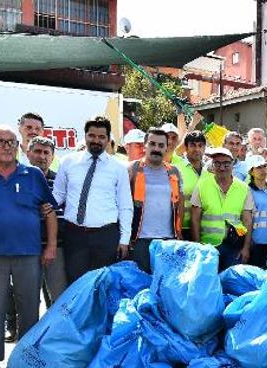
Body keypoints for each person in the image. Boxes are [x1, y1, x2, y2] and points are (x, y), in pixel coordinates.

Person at [0, 125, 58, 368]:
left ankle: (26, 361)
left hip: (29, 254)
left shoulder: (33, 175)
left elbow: (49, 213)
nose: (6, 146)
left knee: (30, 308)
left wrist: (51, 246)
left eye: (11, 142)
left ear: (18, 146)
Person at [53, 116, 133, 284]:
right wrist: (45, 205)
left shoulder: (118, 168)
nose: (96, 140)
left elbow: (125, 206)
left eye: (101, 137)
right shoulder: (68, 162)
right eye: (92, 136)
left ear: (108, 139)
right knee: (75, 285)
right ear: (85, 136)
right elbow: (58, 195)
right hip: (74, 234)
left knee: (102, 285)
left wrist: (124, 240)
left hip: (106, 236)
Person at [127, 129, 183, 273]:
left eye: (160, 145)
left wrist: (179, 234)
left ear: (166, 148)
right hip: (139, 240)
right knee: (140, 283)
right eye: (152, 144)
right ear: (145, 145)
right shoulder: (132, 169)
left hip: (168, 239)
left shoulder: (174, 172)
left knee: (165, 284)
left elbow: (179, 204)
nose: (156, 149)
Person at [191, 147, 253, 270]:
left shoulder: (243, 188)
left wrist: (246, 248)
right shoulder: (203, 185)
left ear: (232, 164)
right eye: (217, 163)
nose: (222, 167)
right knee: (209, 283)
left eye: (226, 163)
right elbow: (195, 219)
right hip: (208, 246)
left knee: (231, 283)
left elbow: (248, 220)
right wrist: (198, 246)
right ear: (212, 165)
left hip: (234, 246)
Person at [26, 136, 67, 305]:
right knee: (27, 300)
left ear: (52, 157)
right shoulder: (17, 179)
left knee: (60, 298)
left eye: (46, 153)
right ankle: (23, 331)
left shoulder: (61, 181)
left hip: (56, 248)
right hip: (26, 250)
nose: (42, 156)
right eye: (37, 151)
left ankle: (58, 332)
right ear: (28, 154)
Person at [179, 130, 210, 241]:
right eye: (192, 145)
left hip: (203, 227)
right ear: (186, 147)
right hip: (182, 228)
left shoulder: (209, 170)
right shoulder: (178, 167)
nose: (197, 149)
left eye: (200, 145)